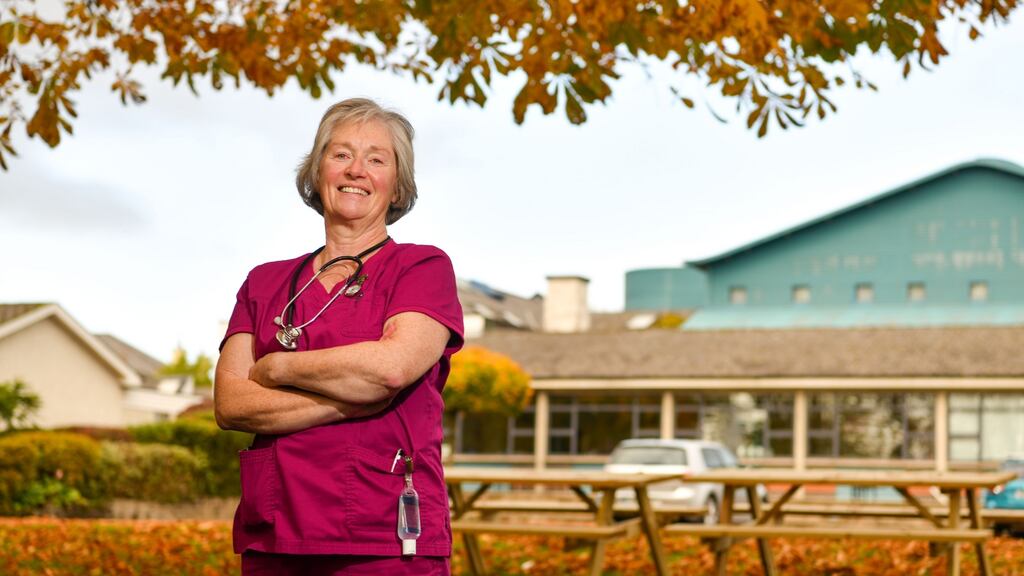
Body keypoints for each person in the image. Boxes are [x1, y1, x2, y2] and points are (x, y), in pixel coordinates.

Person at [214, 98, 463, 576]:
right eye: (341, 154)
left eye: (376, 158)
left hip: (384, 537)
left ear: (397, 186)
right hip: (275, 533)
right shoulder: (264, 283)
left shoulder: (422, 268)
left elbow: (390, 369)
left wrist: (276, 368)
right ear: (317, 171)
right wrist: (353, 400)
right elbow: (231, 402)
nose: (357, 170)